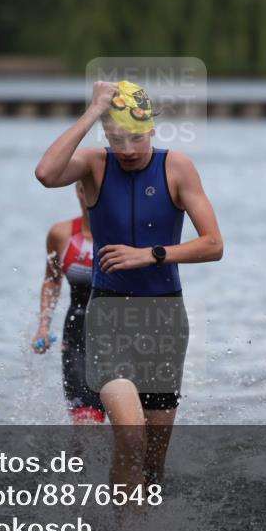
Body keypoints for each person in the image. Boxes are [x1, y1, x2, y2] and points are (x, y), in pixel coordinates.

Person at [34, 79, 223, 492]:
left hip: (165, 320)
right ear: (106, 134)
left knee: (154, 463)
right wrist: (92, 110)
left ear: (152, 128)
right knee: (131, 434)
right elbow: (46, 173)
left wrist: (151, 254)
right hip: (110, 316)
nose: (129, 150)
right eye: (117, 138)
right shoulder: (95, 165)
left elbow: (213, 245)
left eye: (136, 137)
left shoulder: (177, 167)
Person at [32, 181, 106, 424]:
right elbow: (52, 281)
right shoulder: (60, 234)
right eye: (88, 190)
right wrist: (43, 325)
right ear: (79, 192)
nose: (94, 196)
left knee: (128, 426)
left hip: (122, 334)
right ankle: (78, 462)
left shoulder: (128, 235)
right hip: (77, 335)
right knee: (85, 423)